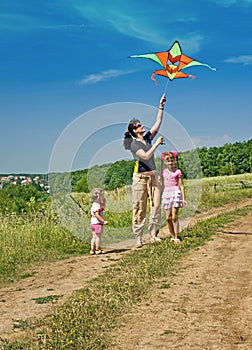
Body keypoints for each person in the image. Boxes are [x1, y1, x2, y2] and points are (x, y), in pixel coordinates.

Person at [123, 94, 166, 248]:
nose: (142, 126)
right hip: (140, 180)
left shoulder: (147, 138)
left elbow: (158, 122)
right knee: (140, 209)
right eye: (139, 125)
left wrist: (161, 106)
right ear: (134, 131)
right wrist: (157, 143)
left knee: (156, 206)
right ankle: (139, 238)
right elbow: (146, 156)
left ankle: (153, 235)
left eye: (141, 124)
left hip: (154, 178)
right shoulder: (134, 145)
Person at [161, 151, 186, 243]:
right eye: (168, 161)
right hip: (167, 193)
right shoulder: (163, 172)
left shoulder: (177, 171)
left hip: (175, 192)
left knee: (174, 216)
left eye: (172, 160)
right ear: (165, 162)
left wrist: (183, 198)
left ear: (174, 161)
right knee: (168, 218)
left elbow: (181, 185)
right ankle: (172, 235)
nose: (170, 162)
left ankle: (176, 236)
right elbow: (162, 185)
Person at [90, 188, 108, 255]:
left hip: (93, 223)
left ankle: (92, 249)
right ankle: (97, 249)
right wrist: (103, 221)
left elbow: (103, 207)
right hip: (98, 223)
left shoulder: (94, 205)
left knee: (94, 237)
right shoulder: (97, 207)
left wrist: (104, 201)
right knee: (98, 237)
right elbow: (97, 215)